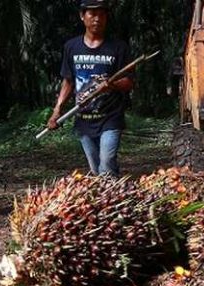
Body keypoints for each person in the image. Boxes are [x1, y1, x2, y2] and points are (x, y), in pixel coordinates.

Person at [47, 0, 134, 177]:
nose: (97, 19)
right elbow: (68, 81)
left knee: (107, 164)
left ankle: (111, 195)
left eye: (101, 15)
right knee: (96, 170)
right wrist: (57, 110)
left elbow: (130, 82)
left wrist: (111, 84)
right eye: (92, 14)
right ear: (82, 16)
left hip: (111, 117)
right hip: (83, 120)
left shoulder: (118, 48)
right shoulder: (72, 47)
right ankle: (112, 194)